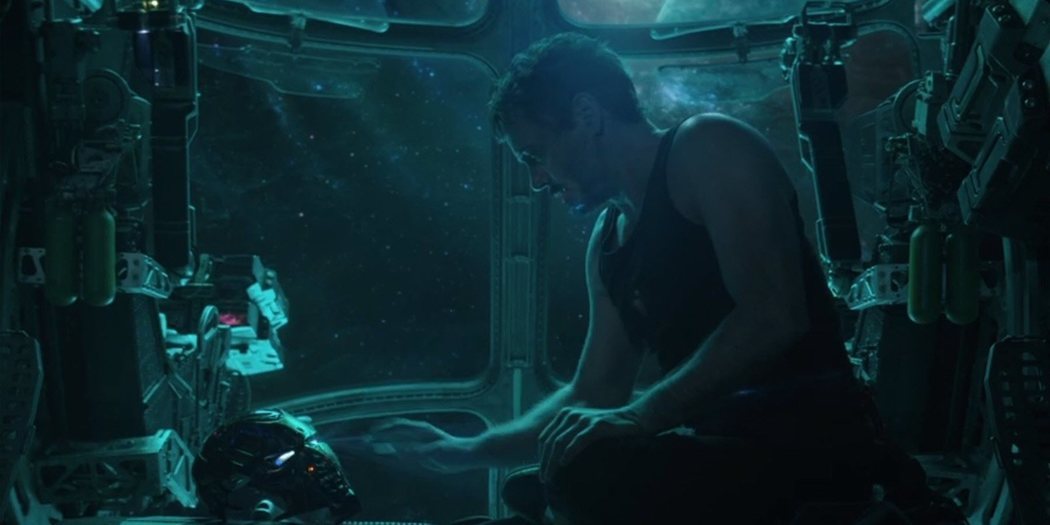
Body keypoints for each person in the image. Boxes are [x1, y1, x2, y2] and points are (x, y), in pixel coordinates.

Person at [370, 33, 947, 525]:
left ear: (587, 115)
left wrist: (640, 417)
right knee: (542, 477)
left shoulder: (707, 148)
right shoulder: (609, 240)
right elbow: (593, 393)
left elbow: (774, 315)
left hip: (812, 451)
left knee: (585, 475)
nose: (538, 179)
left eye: (535, 155)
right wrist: (466, 450)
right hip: (721, 454)